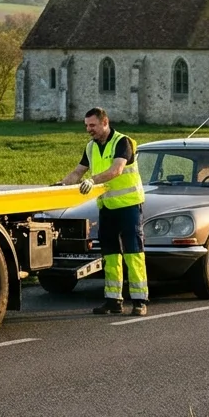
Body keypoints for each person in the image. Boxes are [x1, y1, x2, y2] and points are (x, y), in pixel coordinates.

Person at [57, 108, 149, 316]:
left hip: (129, 207)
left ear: (105, 122)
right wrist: (60, 185)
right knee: (110, 255)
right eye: (86, 126)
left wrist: (92, 180)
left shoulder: (123, 142)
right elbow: (78, 172)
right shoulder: (91, 147)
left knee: (133, 254)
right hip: (107, 208)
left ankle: (139, 300)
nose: (89, 129)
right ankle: (113, 300)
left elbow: (116, 170)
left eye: (92, 125)